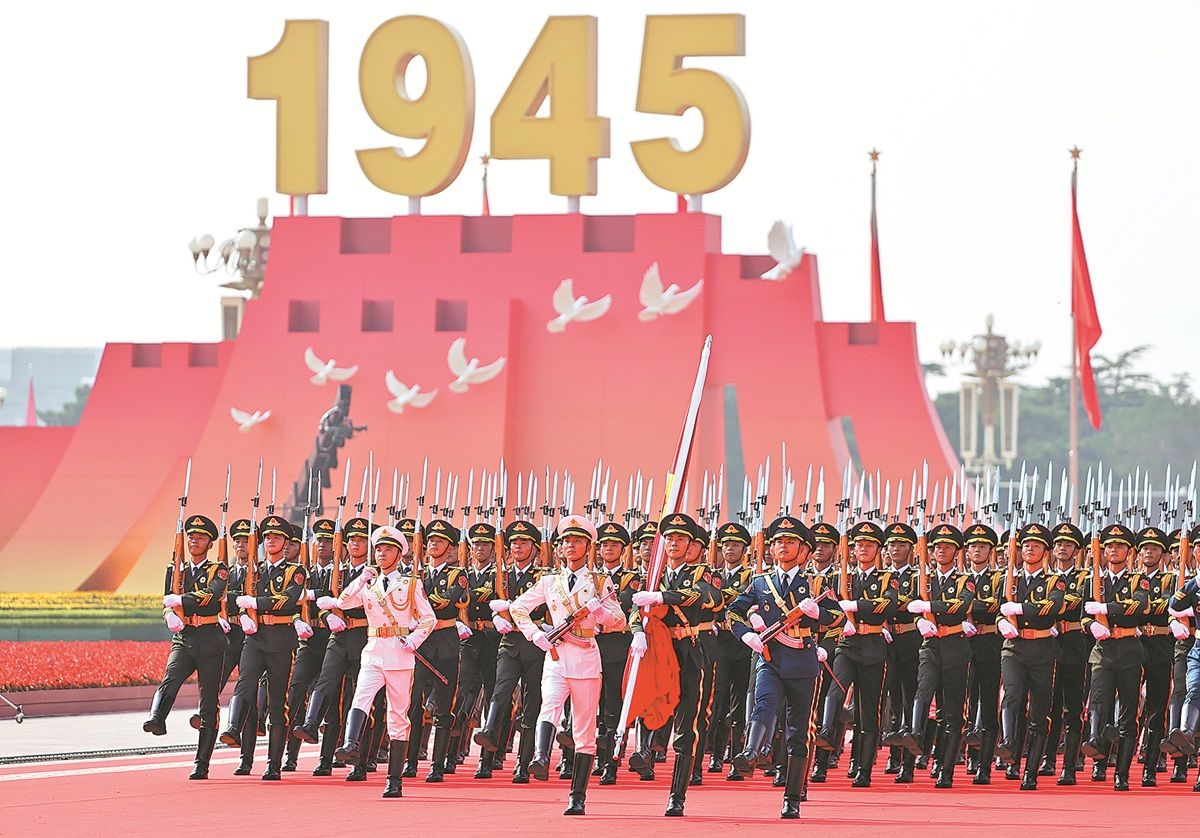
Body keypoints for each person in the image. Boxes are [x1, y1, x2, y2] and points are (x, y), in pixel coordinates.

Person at [508, 515, 627, 815]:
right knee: (549, 704)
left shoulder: (599, 582)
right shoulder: (550, 581)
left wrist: (601, 614)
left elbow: (620, 620)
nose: (570, 546)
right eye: (565, 542)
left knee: (584, 730)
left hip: (586, 656)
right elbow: (518, 607)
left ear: (588, 546)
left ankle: (578, 796)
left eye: (576, 541)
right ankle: (540, 757)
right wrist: (535, 634)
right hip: (557, 655)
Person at [728, 515, 838, 818]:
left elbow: (838, 618)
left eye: (790, 542)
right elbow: (733, 611)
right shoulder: (760, 582)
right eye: (778, 542)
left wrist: (818, 615)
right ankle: (750, 752)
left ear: (803, 550)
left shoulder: (816, 583)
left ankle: (792, 797)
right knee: (763, 704)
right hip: (771, 657)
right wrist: (747, 634)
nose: (783, 546)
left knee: (798, 732)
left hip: (802, 661)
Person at [319, 524, 436, 798]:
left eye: (387, 549)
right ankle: (350, 745)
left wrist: (414, 640)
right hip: (373, 651)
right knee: (360, 697)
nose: (381, 553)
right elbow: (343, 602)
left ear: (399, 554)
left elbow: (428, 619)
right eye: (379, 549)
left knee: (397, 717)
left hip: (399, 655)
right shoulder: (369, 584)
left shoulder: (410, 584)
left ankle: (394, 780)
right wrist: (360, 579)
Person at [629, 513, 721, 816]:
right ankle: (644, 751)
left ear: (690, 544)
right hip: (658, 650)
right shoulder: (653, 573)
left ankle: (677, 794)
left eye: (680, 539)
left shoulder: (700, 573)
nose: (674, 543)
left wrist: (662, 596)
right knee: (649, 701)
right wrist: (637, 631)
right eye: (669, 538)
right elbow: (636, 609)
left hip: (687, 650)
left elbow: (708, 598)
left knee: (686, 722)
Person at [218, 514, 310, 780]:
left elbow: (287, 600)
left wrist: (255, 603)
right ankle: (235, 733)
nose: (271, 541)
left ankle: (273, 764)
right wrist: (242, 613)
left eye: (277, 537)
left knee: (277, 703)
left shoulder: (295, 571)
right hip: (255, 638)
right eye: (267, 537)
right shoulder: (253, 571)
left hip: (281, 641)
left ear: (286, 543)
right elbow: (235, 596)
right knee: (245, 686)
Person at [814, 521, 900, 788]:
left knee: (867, 711)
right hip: (846, 644)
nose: (863, 548)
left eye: (869, 545)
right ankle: (824, 744)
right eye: (859, 544)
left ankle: (863, 768)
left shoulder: (886, 578)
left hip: (873, 646)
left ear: (878, 549)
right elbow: (825, 605)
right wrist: (840, 618)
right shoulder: (841, 578)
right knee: (834, 691)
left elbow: (888, 604)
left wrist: (855, 605)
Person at [143, 514, 229, 780]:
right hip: (185, 636)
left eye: (200, 538)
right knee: (171, 677)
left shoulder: (218, 570)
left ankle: (202, 762)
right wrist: (168, 612)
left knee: (208, 701)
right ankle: (157, 717)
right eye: (191, 537)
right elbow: (167, 598)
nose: (194, 541)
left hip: (210, 638)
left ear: (209, 544)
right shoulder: (175, 569)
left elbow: (211, 596)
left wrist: (180, 600)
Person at [292, 516, 373, 778]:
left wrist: (339, 607)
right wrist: (328, 616)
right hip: (338, 637)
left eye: (361, 540)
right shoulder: (339, 572)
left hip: (363, 636)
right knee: (325, 683)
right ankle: (312, 728)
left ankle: (359, 762)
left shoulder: (373, 574)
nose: (355, 544)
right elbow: (322, 602)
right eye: (351, 540)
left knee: (357, 699)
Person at [898, 523, 975, 788]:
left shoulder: (965, 580)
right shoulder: (923, 580)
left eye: (947, 547)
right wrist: (919, 620)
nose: (941, 551)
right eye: (937, 547)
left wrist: (929, 605)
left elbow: (960, 605)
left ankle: (945, 768)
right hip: (930, 646)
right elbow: (911, 605)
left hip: (955, 646)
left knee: (951, 712)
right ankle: (915, 737)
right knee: (923, 691)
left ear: (956, 551)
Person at [995, 522, 1071, 791]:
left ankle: (1031, 771)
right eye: (1026, 545)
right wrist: (1001, 622)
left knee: (1039, 713)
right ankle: (1008, 745)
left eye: (1035, 545)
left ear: (1045, 552)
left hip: (1041, 650)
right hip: (1014, 648)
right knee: (1012, 695)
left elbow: (1053, 606)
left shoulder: (1054, 580)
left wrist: (1020, 609)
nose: (1029, 549)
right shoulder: (1010, 580)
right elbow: (999, 608)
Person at [1080, 523, 1152, 791]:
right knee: (1098, 702)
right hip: (1102, 652)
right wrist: (1091, 625)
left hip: (1129, 651)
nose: (1113, 550)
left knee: (1128, 716)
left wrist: (1106, 607)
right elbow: (1083, 615)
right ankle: (1097, 748)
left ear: (1129, 551)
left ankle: (1122, 773)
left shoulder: (1138, 580)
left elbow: (1139, 605)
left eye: (1119, 546)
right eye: (1109, 546)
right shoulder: (1093, 581)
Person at [475, 519, 548, 783]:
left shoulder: (542, 577)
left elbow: (544, 608)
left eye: (523, 542)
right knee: (500, 690)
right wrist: (496, 617)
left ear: (534, 548)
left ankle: (523, 763)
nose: (517, 546)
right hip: (509, 641)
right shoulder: (501, 576)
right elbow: (487, 603)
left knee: (531, 702)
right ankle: (488, 741)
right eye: (514, 542)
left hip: (534, 644)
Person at [404, 518, 468, 781]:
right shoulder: (415, 575)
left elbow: (444, 602)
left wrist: (416, 599)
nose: (433, 544)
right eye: (430, 540)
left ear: (450, 548)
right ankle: (410, 761)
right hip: (420, 645)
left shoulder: (457, 575)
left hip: (445, 644)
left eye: (439, 541)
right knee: (414, 706)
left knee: (443, 707)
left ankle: (437, 765)